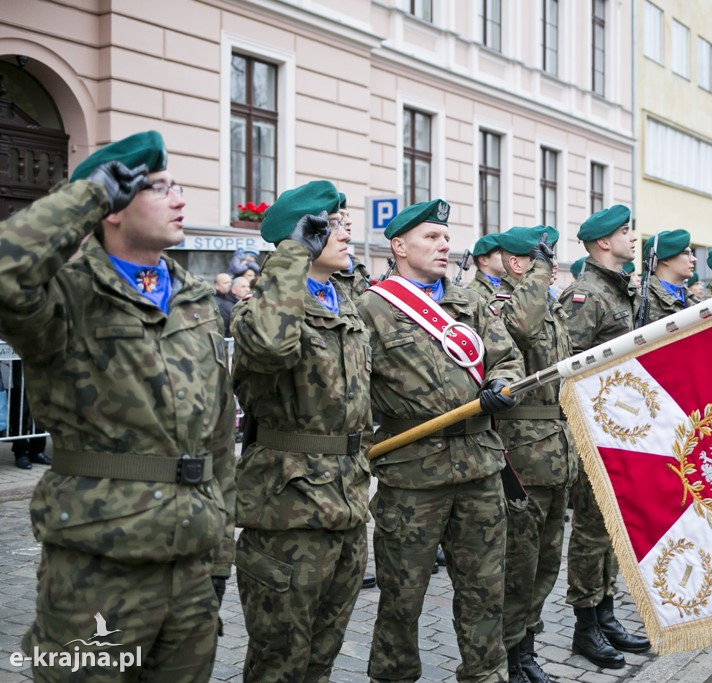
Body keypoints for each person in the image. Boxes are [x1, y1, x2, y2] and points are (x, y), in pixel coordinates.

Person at [0, 130, 235, 679]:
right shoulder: (66, 295)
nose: (180, 199)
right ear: (110, 206)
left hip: (191, 568)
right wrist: (83, 196)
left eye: (177, 186)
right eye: (158, 188)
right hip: (97, 569)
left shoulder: (194, 299)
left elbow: (218, 436)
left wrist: (220, 554)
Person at [356, 199, 524, 682]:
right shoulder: (372, 307)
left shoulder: (469, 300)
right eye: (431, 237)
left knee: (484, 589)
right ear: (399, 246)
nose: (443, 245)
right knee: (401, 596)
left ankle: (485, 674)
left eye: (446, 237)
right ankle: (394, 676)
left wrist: (501, 384)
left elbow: (506, 356)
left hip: (480, 468)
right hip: (412, 474)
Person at [230, 181, 372, 680]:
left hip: (348, 503)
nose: (343, 233)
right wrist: (290, 255)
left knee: (321, 657)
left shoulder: (344, 304)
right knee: (279, 663)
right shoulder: (260, 311)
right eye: (329, 225)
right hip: (289, 510)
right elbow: (271, 347)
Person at [559, 205, 650, 669]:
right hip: (592, 429)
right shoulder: (585, 296)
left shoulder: (619, 290)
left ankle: (606, 613)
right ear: (602, 244)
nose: (631, 238)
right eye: (623, 232)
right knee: (592, 532)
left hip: (620, 427)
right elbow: (567, 370)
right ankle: (585, 624)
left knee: (613, 529)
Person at [491, 226, 576, 683]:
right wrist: (540, 277)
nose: (551, 266)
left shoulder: (547, 303)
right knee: (518, 567)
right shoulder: (503, 304)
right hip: (524, 455)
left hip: (555, 453)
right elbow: (519, 329)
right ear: (517, 263)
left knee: (545, 563)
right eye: (539, 259)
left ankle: (527, 646)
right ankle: (507, 654)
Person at [641, 229, 698, 321]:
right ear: (665, 259)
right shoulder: (643, 299)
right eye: (686, 253)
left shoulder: (689, 297)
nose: (694, 259)